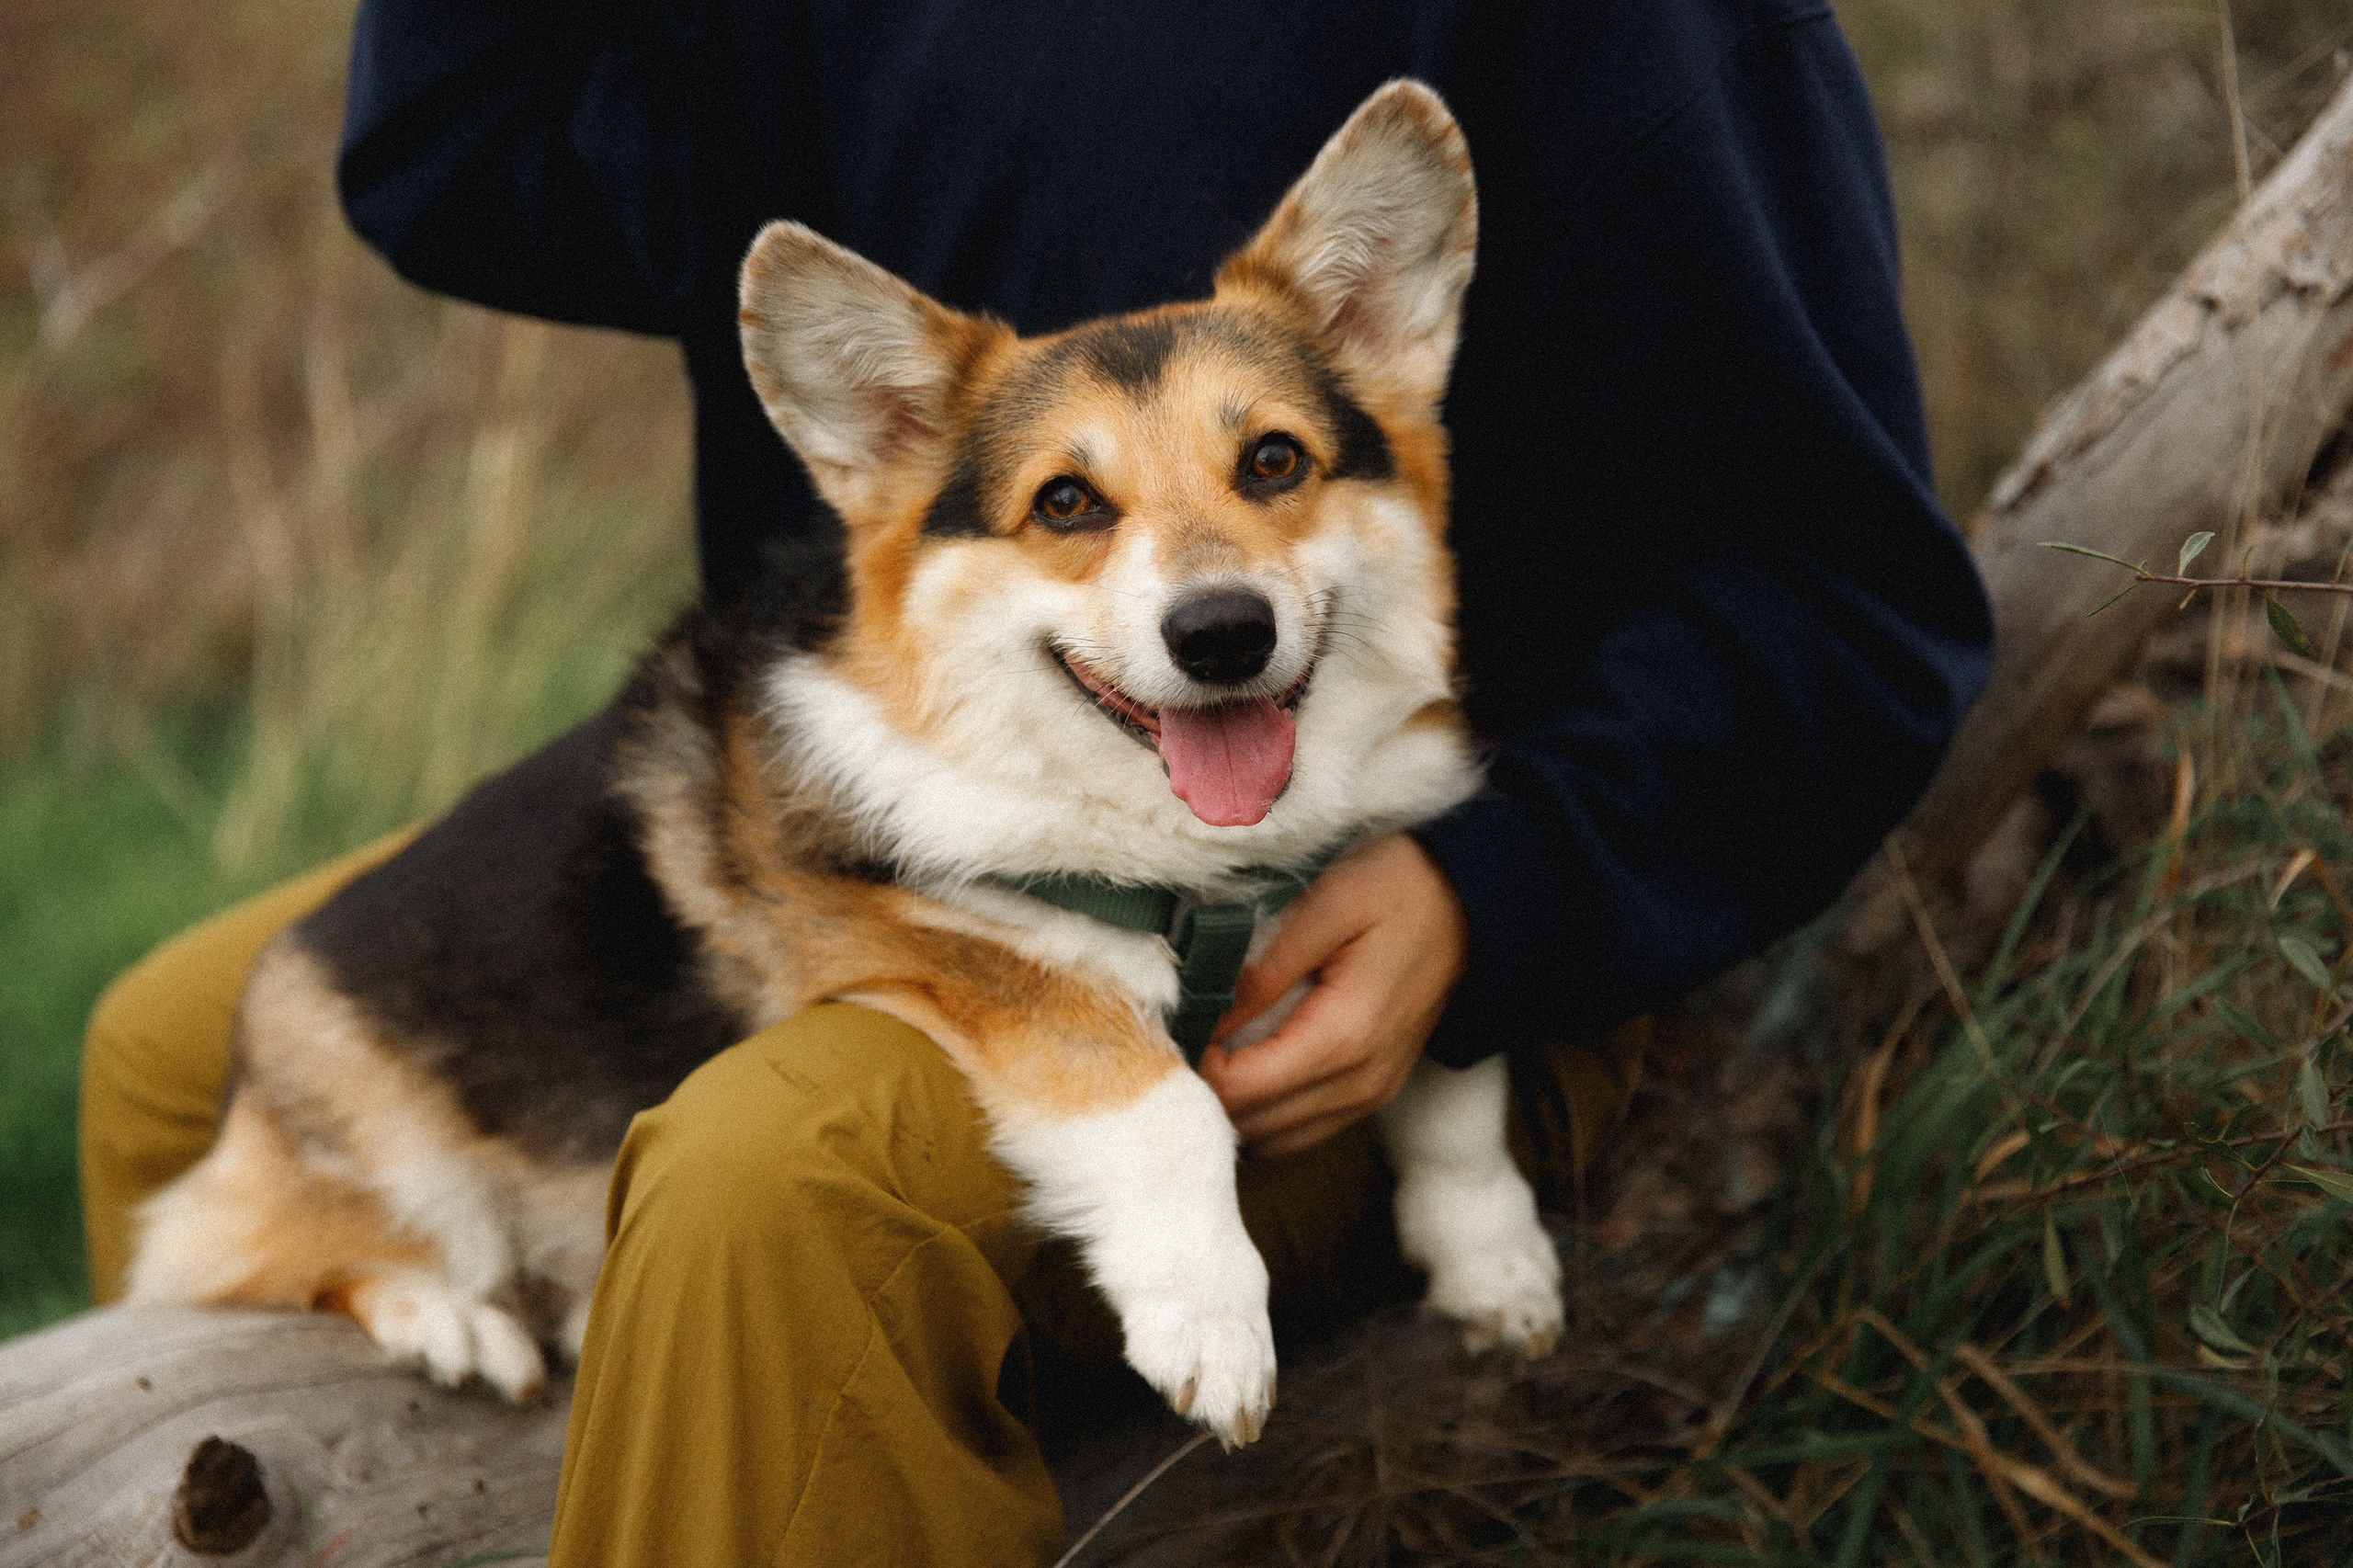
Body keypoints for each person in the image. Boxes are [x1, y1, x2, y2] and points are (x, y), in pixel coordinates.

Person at [79, 1, 1993, 1561]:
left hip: (1394, 911)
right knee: (172, 1051)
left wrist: (1488, 899)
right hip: (899, 809)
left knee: (770, 1198)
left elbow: (1842, 607)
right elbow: (457, 160)